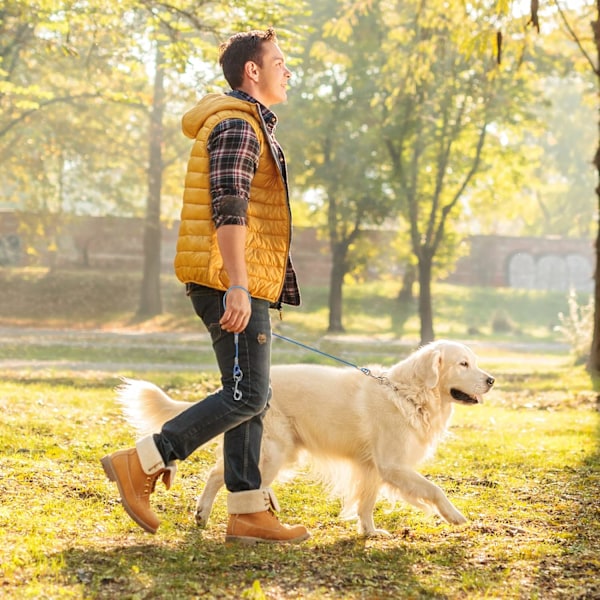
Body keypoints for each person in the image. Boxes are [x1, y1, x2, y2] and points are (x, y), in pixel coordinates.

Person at [101, 28, 309, 544]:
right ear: (252, 71)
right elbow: (229, 204)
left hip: (241, 281)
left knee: (251, 399)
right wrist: (238, 284)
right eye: (279, 62)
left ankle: (246, 512)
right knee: (249, 394)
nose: (288, 71)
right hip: (228, 283)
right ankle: (143, 460)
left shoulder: (249, 123)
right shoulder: (239, 125)